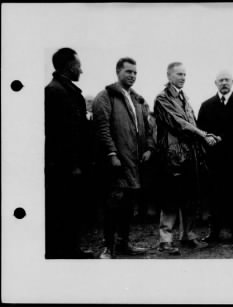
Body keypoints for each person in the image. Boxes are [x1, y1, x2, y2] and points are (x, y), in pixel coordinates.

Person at [92, 57, 155, 259]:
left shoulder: (138, 100)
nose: (132, 76)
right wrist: (111, 153)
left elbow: (147, 127)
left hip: (135, 164)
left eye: (135, 72)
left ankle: (125, 244)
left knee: (128, 206)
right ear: (118, 72)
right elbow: (102, 129)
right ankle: (108, 248)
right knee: (113, 206)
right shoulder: (105, 96)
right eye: (128, 72)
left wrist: (149, 149)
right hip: (117, 163)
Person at [154, 62, 217, 255]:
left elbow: (191, 122)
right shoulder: (162, 98)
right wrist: (203, 134)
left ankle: (187, 235)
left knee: (190, 196)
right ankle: (165, 241)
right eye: (179, 74)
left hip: (190, 156)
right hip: (173, 156)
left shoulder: (185, 98)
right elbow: (178, 123)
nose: (183, 77)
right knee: (171, 198)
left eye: (185, 75)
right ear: (169, 75)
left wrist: (207, 135)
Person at [45, 47, 92, 258]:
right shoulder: (56, 91)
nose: (81, 71)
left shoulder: (63, 90)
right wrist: (73, 165)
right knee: (64, 209)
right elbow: (61, 135)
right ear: (69, 66)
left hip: (69, 164)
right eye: (78, 66)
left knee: (70, 209)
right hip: (64, 166)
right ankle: (65, 252)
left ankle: (69, 249)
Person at [197, 70, 233, 245]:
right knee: (215, 196)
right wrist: (208, 140)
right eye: (221, 80)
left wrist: (225, 139)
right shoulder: (206, 105)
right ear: (215, 83)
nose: (224, 83)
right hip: (214, 160)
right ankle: (214, 233)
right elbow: (201, 131)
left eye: (227, 80)